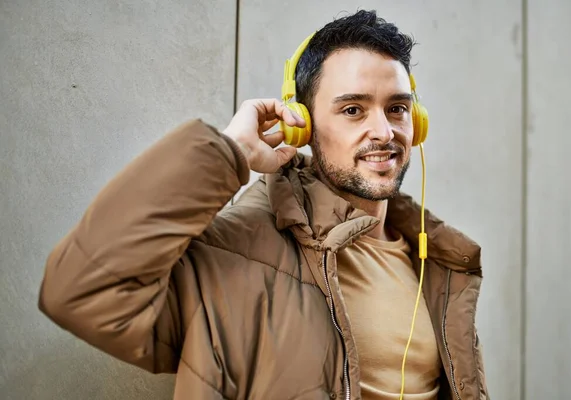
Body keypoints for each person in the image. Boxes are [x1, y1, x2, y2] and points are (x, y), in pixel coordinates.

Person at [38, 9, 488, 400]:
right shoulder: (237, 250)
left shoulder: (439, 261)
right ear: (303, 124)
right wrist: (228, 152)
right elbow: (79, 291)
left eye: (397, 108)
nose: (385, 131)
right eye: (353, 109)